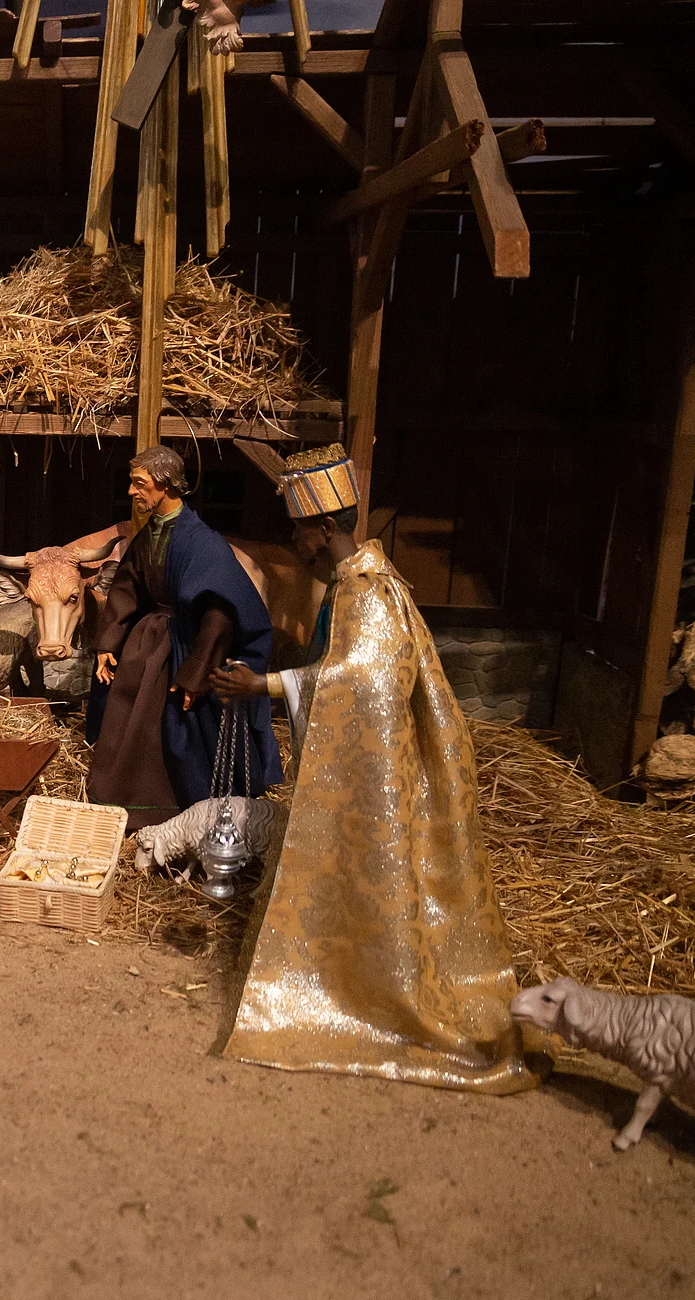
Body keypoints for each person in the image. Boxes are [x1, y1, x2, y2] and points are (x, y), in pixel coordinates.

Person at [211, 443, 536, 1094]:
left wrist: (265, 688)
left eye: (300, 531)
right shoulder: (351, 585)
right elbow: (343, 673)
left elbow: (365, 683)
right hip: (349, 763)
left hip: (378, 781)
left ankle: (370, 994)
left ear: (324, 528)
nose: (295, 544)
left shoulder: (370, 590)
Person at [88, 446, 281, 826]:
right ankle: (132, 804)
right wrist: (108, 643)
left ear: (164, 484)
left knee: (185, 731)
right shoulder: (151, 534)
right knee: (131, 720)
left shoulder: (200, 540)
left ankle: (193, 811)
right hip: (151, 642)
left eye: (139, 483)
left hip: (189, 647)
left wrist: (197, 671)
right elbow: (127, 587)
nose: (131, 492)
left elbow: (220, 612)